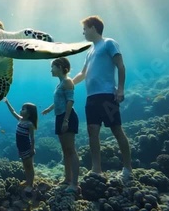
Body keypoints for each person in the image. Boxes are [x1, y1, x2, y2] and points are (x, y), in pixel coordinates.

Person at [72, 15, 132, 181]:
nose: (83, 32)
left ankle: (128, 168)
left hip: (107, 95)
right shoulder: (90, 51)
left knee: (116, 129)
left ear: (93, 28)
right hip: (91, 98)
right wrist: (68, 83)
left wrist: (120, 89)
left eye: (85, 29)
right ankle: (96, 169)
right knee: (92, 132)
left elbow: (120, 65)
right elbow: (83, 74)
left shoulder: (109, 43)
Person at [42, 57, 80, 193]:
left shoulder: (68, 81)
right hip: (60, 117)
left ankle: (74, 184)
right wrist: (49, 109)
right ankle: (67, 179)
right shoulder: (60, 84)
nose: (51, 69)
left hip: (66, 117)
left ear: (60, 67)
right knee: (65, 151)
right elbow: (59, 100)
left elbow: (70, 101)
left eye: (53, 66)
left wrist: (66, 120)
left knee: (71, 150)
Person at [2, 97, 38, 194]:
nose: (20, 110)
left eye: (23, 109)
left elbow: (32, 138)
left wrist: (32, 149)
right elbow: (13, 111)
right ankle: (27, 180)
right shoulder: (20, 119)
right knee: (25, 166)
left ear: (29, 113)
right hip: (20, 148)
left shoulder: (29, 124)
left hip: (27, 148)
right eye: (21, 108)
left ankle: (31, 184)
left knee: (29, 166)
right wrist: (7, 102)